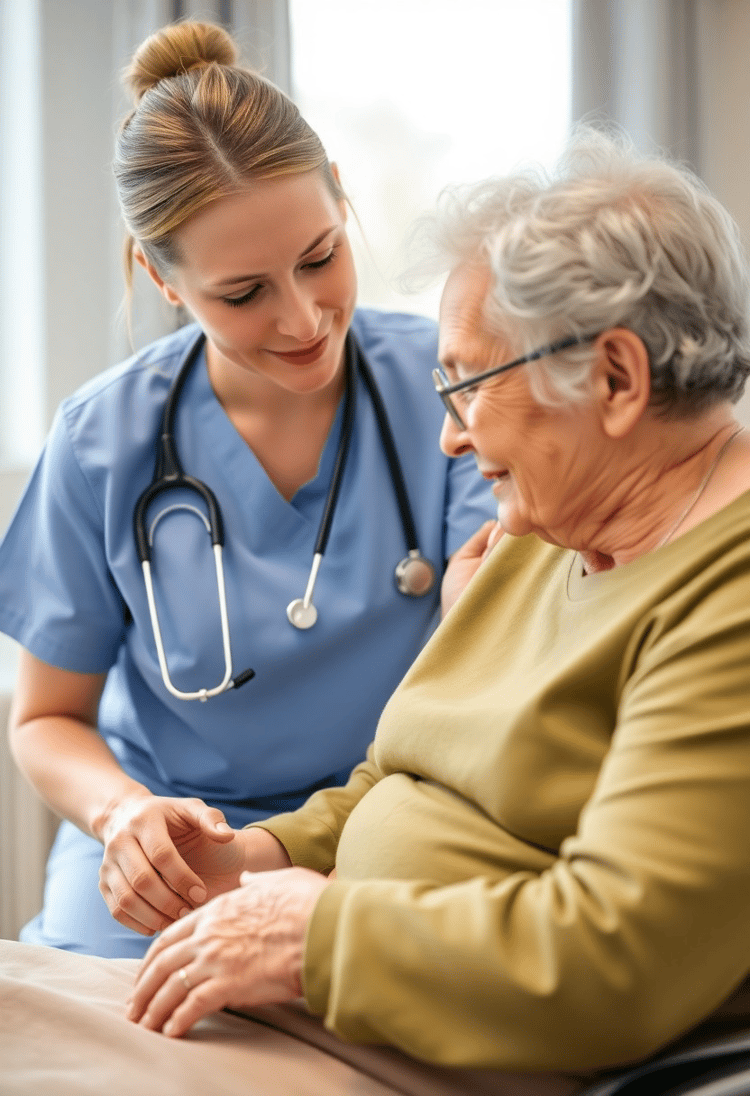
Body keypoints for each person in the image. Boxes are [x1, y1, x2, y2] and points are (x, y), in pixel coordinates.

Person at [123, 125, 750, 1081]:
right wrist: (246, 860)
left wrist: (311, 937)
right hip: (344, 1004)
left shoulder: (729, 599)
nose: (452, 438)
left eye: (470, 386)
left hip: (470, 1048)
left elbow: (615, 962)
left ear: (616, 379)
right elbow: (402, 775)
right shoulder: (548, 532)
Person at [0, 21, 495, 959]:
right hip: (173, 849)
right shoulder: (102, 440)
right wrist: (123, 819)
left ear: (343, 199)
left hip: (392, 819)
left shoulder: (453, 385)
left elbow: (502, 650)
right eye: (244, 293)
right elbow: (46, 717)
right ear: (162, 277)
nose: (304, 318)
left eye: (319, 257)